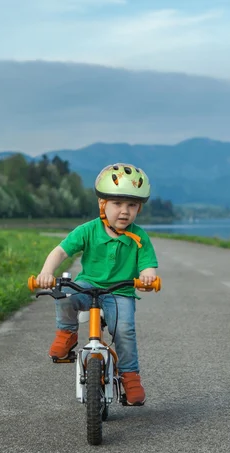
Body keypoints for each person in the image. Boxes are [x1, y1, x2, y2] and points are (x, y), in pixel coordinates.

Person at [35, 163, 158, 406]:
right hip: (87, 286)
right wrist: (47, 273)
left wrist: (147, 278)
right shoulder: (88, 230)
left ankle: (130, 376)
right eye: (117, 204)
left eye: (132, 205)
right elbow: (60, 252)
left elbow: (148, 265)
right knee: (64, 295)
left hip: (120, 293)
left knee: (124, 331)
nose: (124, 211)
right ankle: (66, 334)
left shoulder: (140, 237)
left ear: (139, 208)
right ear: (102, 205)